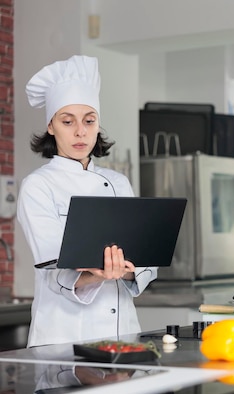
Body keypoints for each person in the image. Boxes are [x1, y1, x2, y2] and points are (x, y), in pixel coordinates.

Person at [17, 55, 157, 347]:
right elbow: (55, 273)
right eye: (68, 122)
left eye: (89, 121)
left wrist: (129, 271)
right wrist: (100, 275)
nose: (80, 131)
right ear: (51, 126)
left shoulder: (119, 183)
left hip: (123, 337)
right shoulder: (38, 185)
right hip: (64, 339)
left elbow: (145, 260)